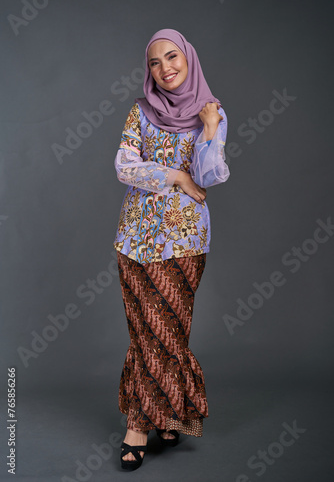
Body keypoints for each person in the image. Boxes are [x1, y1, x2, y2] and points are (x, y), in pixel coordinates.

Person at [113, 28, 230, 471]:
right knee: (144, 331)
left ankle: (153, 417)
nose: (165, 69)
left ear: (189, 58)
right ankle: (143, 421)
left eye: (172, 57)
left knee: (170, 332)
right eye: (155, 63)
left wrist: (211, 126)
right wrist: (174, 177)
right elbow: (125, 166)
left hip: (184, 240)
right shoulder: (139, 112)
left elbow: (210, 174)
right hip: (135, 237)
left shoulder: (211, 111)